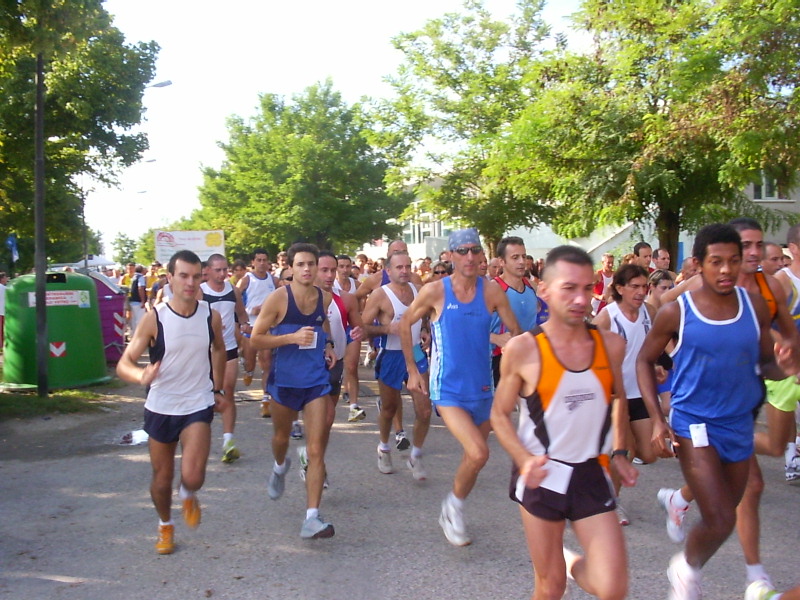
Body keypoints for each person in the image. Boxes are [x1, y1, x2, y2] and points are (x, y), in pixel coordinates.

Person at [636, 223, 797, 600]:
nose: (726, 269)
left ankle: (687, 566)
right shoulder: (677, 311)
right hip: (694, 423)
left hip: (738, 423)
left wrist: (786, 367)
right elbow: (644, 361)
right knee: (721, 516)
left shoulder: (754, 306)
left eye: (733, 261)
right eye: (716, 261)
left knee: (725, 518)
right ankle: (686, 571)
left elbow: (764, 363)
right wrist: (657, 420)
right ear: (698, 264)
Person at [491, 244, 637, 600]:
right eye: (569, 288)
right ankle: (559, 568)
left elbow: (618, 398)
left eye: (587, 288)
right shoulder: (524, 349)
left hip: (590, 471)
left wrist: (620, 451)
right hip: (542, 474)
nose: (581, 299)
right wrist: (524, 460)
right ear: (544, 289)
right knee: (550, 587)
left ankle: (569, 563)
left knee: (612, 587)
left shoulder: (611, 345)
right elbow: (499, 413)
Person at [400, 228, 520, 546]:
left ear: (482, 255)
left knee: (475, 458)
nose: (470, 257)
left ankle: (453, 506)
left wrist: (517, 366)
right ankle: (453, 508)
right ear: (451, 255)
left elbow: (517, 334)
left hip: (483, 389)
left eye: (475, 250)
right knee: (479, 452)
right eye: (463, 251)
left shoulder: (492, 292)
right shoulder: (435, 291)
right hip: (447, 389)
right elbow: (404, 323)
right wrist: (412, 369)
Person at [116, 250, 226, 555]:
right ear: (170, 278)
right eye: (183, 276)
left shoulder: (210, 316)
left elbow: (219, 349)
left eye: (196, 276)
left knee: (193, 476)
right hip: (161, 406)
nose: (190, 283)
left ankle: (188, 493)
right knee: (162, 479)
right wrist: (141, 375)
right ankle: (165, 525)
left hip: (197, 403)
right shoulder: (155, 318)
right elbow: (124, 364)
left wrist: (217, 389)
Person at [250, 243, 338, 539]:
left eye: (311, 264)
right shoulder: (278, 299)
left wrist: (328, 345)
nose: (307, 269)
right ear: (290, 267)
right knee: (281, 438)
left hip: (315, 382)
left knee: (316, 449)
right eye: (300, 264)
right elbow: (255, 339)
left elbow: (323, 324)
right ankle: (279, 466)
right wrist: (290, 338)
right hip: (285, 381)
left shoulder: (324, 297)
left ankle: (312, 517)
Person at [593, 263, 658, 526]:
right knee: (625, 451)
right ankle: (612, 503)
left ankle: (601, 477)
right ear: (620, 288)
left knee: (649, 454)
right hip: (615, 395)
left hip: (641, 391)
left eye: (644, 286)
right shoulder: (607, 317)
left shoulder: (649, 312)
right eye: (635, 287)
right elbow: (589, 350)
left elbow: (654, 345)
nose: (641, 292)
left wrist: (659, 364)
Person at [363, 251, 431, 480]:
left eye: (407, 266)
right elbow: (363, 327)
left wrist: (424, 330)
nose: (404, 271)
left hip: (416, 352)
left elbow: (425, 316)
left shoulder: (418, 290)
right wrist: (386, 329)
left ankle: (416, 455)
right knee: (390, 408)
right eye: (399, 267)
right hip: (391, 355)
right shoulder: (380, 295)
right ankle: (383, 447)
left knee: (424, 410)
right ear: (388, 271)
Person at [201, 254, 250, 463]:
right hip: (205, 351)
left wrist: (245, 326)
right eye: (218, 270)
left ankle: (228, 442)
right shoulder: (200, 292)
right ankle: (198, 440)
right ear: (208, 270)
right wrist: (209, 325)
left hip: (228, 348)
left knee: (227, 391)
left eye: (225, 270)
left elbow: (242, 314)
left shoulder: (233, 290)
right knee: (204, 395)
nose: (222, 274)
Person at [490, 236, 539, 387]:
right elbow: (467, 324)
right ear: (502, 261)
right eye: (515, 257)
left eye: (524, 256)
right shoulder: (492, 289)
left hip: (529, 357)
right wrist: (495, 338)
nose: (522, 262)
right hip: (499, 361)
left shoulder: (532, 286)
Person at [237, 248, 280, 417]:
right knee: (250, 362)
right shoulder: (246, 280)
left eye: (264, 260)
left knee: (266, 362)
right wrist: (248, 313)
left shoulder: (274, 281)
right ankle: (248, 371)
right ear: (253, 262)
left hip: (267, 328)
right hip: (250, 327)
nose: (262, 263)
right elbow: (235, 300)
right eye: (259, 260)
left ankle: (265, 400)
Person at [334, 254, 366, 421]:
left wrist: (360, 320)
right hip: (334, 328)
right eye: (341, 266)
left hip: (351, 328)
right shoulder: (329, 285)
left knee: (352, 366)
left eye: (347, 266)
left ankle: (354, 405)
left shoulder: (357, 285)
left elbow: (363, 305)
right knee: (334, 366)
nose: (345, 270)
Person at [0, 271, 7, 350]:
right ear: (2, 279)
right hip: (2, 312)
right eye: (5, 277)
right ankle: (1, 346)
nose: (6, 279)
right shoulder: (4, 288)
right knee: (1, 330)